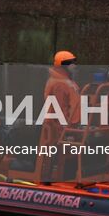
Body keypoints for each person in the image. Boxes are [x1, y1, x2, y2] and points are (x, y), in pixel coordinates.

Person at [37, 50, 81, 182]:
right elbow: (63, 109)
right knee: (54, 157)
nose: (75, 66)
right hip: (57, 127)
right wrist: (71, 127)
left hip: (59, 126)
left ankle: (53, 178)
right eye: (72, 63)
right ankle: (52, 179)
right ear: (64, 66)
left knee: (55, 156)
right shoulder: (61, 84)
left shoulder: (61, 81)